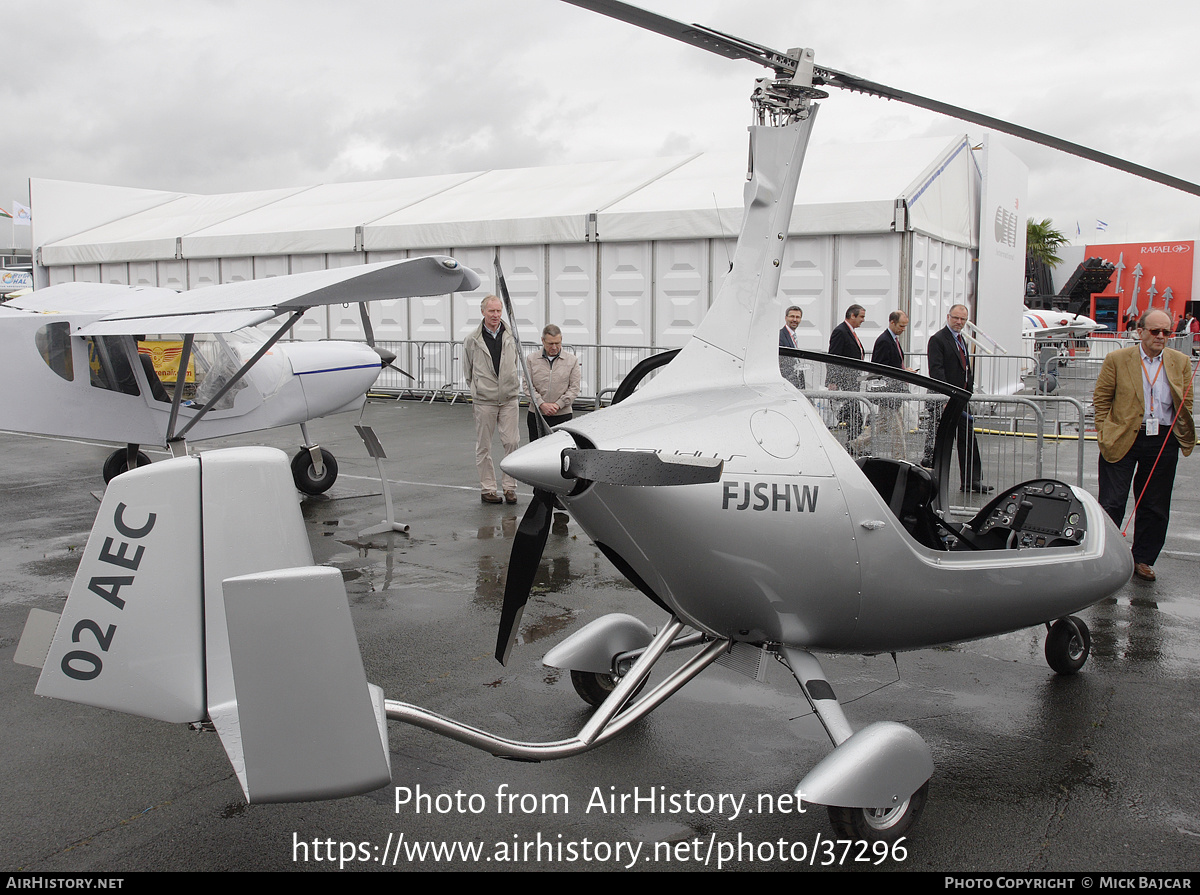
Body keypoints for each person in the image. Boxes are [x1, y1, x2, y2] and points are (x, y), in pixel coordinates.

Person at [1093, 308, 1196, 582]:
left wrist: (1177, 432)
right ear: (1140, 332)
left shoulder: (1181, 361)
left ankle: (1144, 560)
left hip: (1162, 439)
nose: (1161, 337)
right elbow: (1101, 400)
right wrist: (1104, 431)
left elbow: (1187, 401)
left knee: (1155, 504)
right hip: (1123, 436)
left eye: (1167, 332)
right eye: (1155, 331)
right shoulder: (1117, 359)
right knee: (1112, 502)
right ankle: (1106, 559)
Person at [927, 304, 992, 493]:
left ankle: (972, 481)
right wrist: (947, 396)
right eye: (956, 318)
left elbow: (965, 367)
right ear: (948, 317)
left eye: (963, 319)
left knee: (968, 439)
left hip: (961, 399)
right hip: (947, 400)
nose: (959, 322)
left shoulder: (960, 338)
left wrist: (968, 389)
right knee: (939, 442)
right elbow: (936, 371)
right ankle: (932, 482)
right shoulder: (938, 340)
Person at [463, 295, 521, 504]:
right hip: (484, 400)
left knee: (512, 442)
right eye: (491, 311)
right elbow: (468, 371)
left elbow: (515, 362)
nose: (496, 315)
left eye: (498, 311)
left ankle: (509, 488)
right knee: (484, 446)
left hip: (508, 399)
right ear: (483, 312)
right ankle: (488, 489)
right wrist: (478, 388)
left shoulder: (511, 336)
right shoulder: (472, 340)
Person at [526, 324, 580, 442]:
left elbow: (574, 388)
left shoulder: (572, 360)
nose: (555, 347)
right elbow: (527, 386)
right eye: (550, 344)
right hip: (537, 416)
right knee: (535, 451)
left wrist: (558, 405)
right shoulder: (531, 359)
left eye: (558, 343)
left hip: (563, 415)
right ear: (542, 341)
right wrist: (541, 404)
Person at [827, 305, 866, 439]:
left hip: (853, 379)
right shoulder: (841, 331)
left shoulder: (850, 332)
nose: (863, 320)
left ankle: (854, 443)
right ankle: (854, 444)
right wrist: (833, 381)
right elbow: (833, 357)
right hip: (845, 380)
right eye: (861, 316)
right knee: (855, 415)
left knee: (855, 415)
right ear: (852, 316)